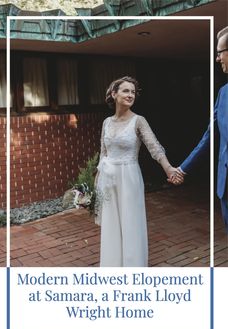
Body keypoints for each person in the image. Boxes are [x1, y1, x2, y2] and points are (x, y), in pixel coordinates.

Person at [95, 76, 183, 267]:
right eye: (126, 91)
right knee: (112, 225)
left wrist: (168, 169)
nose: (130, 95)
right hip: (108, 179)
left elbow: (155, 147)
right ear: (114, 94)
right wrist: (96, 184)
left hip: (129, 177)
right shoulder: (106, 123)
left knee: (131, 224)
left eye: (133, 92)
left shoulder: (138, 121)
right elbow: (103, 153)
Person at [170, 26, 228, 233]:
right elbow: (210, 135)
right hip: (226, 187)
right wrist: (183, 169)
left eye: (220, 52)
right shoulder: (223, 93)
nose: (217, 59)